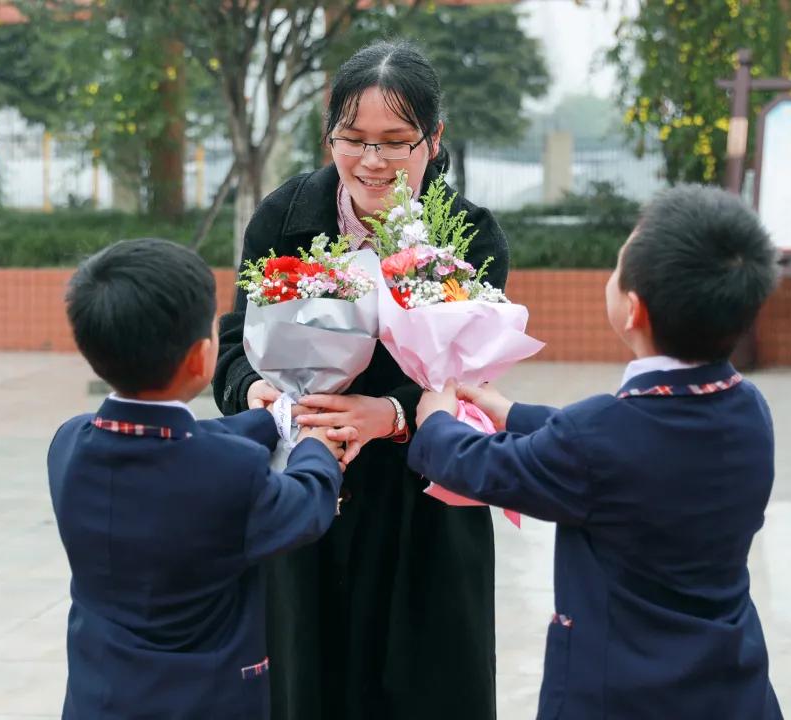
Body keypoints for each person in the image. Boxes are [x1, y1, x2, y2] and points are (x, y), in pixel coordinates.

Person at [213, 41, 509, 720]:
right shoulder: (283, 221)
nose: (372, 161)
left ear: (434, 139)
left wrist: (393, 414)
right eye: (353, 139)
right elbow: (236, 346)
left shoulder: (469, 237)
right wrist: (256, 394)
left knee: (426, 685)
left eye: (396, 142)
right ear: (330, 135)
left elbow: (471, 377)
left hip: (424, 503)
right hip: (312, 491)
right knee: (308, 679)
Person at [409, 185, 784, 719]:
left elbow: (487, 467)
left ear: (632, 309)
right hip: (730, 686)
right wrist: (510, 413)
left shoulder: (599, 436)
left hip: (620, 695)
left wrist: (437, 423)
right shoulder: (750, 410)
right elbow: (616, 453)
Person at [48, 238, 352, 719]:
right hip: (205, 703)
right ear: (199, 358)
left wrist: (271, 421)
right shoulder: (231, 474)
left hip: (99, 698)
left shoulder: (69, 445)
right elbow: (305, 506)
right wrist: (316, 449)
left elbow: (185, 440)